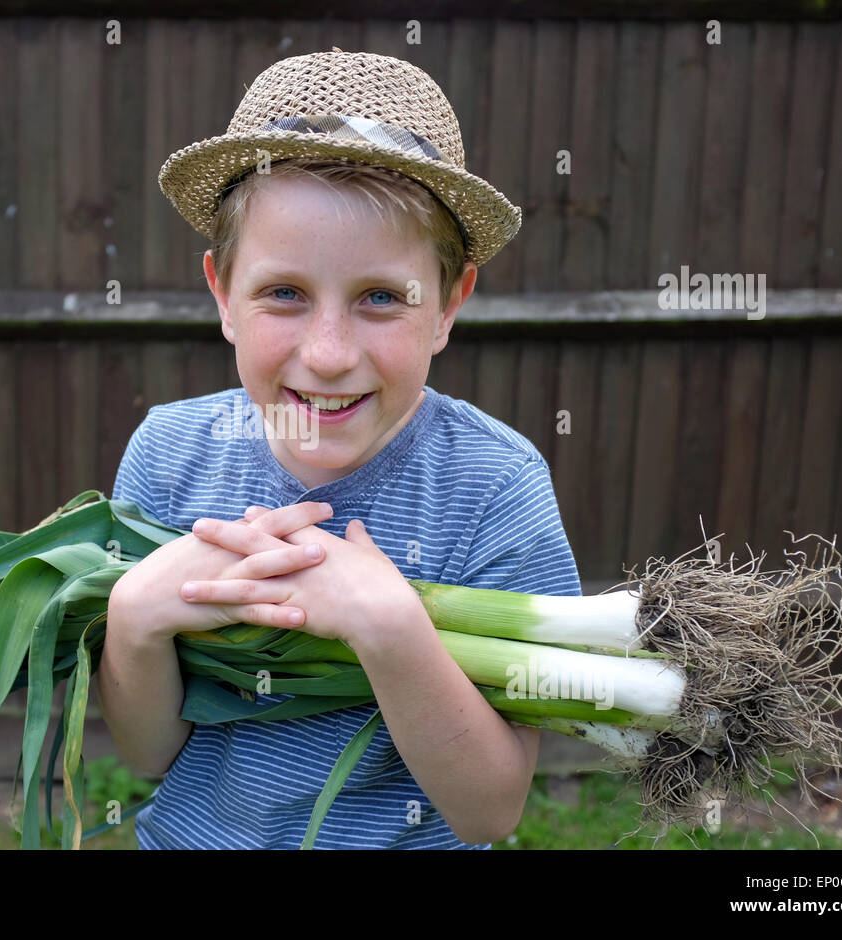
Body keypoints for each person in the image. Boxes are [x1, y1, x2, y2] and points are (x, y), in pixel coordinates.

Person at [98, 49, 581, 849]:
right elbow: (149, 754)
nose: (327, 353)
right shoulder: (169, 454)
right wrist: (135, 620)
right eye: (284, 293)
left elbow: (490, 810)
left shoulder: (495, 486)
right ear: (222, 294)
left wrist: (391, 630)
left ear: (448, 306)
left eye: (381, 298)